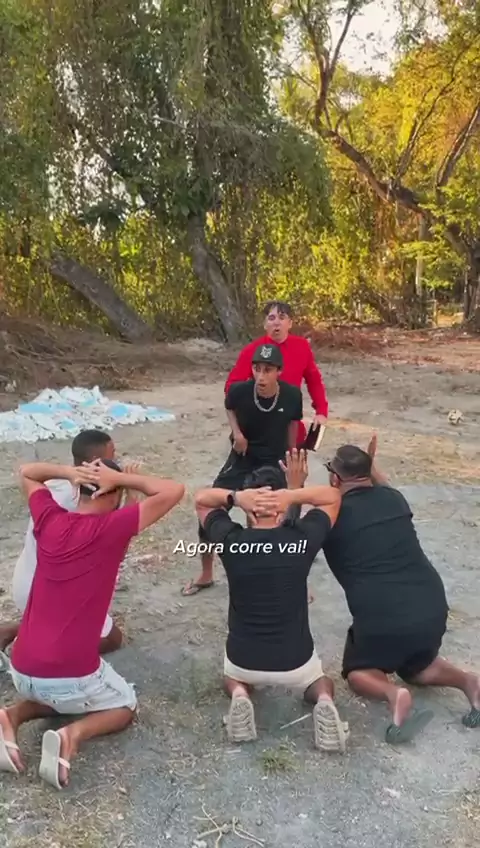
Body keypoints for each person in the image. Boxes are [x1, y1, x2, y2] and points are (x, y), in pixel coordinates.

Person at [0, 458, 184, 789]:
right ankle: (71, 736)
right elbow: (174, 490)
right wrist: (125, 479)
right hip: (68, 675)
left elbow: (27, 472)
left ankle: (11, 715)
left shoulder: (50, 518)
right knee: (125, 705)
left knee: (58, 693)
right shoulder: (112, 528)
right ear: (114, 495)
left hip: (21, 669)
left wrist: (70, 472)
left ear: (77, 491)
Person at [322, 436, 480, 743]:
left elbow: (290, 539)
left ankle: (394, 694)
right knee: (418, 665)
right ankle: (468, 682)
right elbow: (382, 483)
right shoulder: (394, 499)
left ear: (334, 479)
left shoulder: (330, 515)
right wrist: (372, 466)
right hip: (431, 604)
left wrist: (294, 488)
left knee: (358, 672)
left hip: (383, 614)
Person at [194, 450, 348, 752]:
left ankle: (240, 695)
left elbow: (201, 499)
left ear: (249, 512)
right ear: (282, 509)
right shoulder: (301, 539)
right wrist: (290, 494)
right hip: (295, 660)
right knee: (320, 681)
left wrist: (237, 498)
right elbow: (332, 497)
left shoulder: (231, 541)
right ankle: (324, 700)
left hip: (243, 658)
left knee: (232, 678)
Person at [182, 341, 303, 596]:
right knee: (210, 510)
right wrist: (237, 433)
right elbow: (229, 407)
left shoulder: (292, 395)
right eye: (257, 369)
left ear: (279, 371)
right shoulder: (239, 391)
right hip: (243, 458)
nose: (261, 376)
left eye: (268, 370)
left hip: (273, 461)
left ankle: (283, 577)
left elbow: (293, 424)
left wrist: (292, 457)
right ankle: (206, 573)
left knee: (281, 519)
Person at [0, 429, 132, 659]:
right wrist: (129, 488)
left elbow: (27, 472)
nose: (116, 458)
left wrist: (69, 472)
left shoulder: (53, 485)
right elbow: (118, 547)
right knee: (112, 639)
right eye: (112, 454)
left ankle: (32, 631)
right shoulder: (89, 508)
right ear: (96, 463)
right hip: (47, 593)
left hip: (24, 582)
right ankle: (27, 640)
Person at [225, 300, 328, 447]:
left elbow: (314, 380)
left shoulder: (301, 347)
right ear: (265, 324)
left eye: (282, 317)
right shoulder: (252, 350)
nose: (276, 323)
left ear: (290, 323)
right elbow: (231, 387)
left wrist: (321, 411)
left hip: (289, 419)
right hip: (259, 420)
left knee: (294, 456)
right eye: (271, 318)